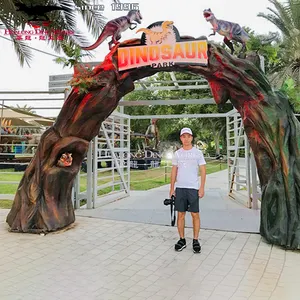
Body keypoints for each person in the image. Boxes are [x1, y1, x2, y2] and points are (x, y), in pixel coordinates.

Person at [169, 127, 206, 253]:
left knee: (195, 214)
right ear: (181, 138)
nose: (186, 138)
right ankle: (182, 239)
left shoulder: (197, 153)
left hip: (193, 188)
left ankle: (195, 240)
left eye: (188, 136)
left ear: (191, 137)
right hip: (180, 188)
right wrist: (171, 188)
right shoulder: (177, 154)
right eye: (183, 136)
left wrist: (202, 187)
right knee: (181, 215)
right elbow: (174, 171)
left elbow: (203, 170)